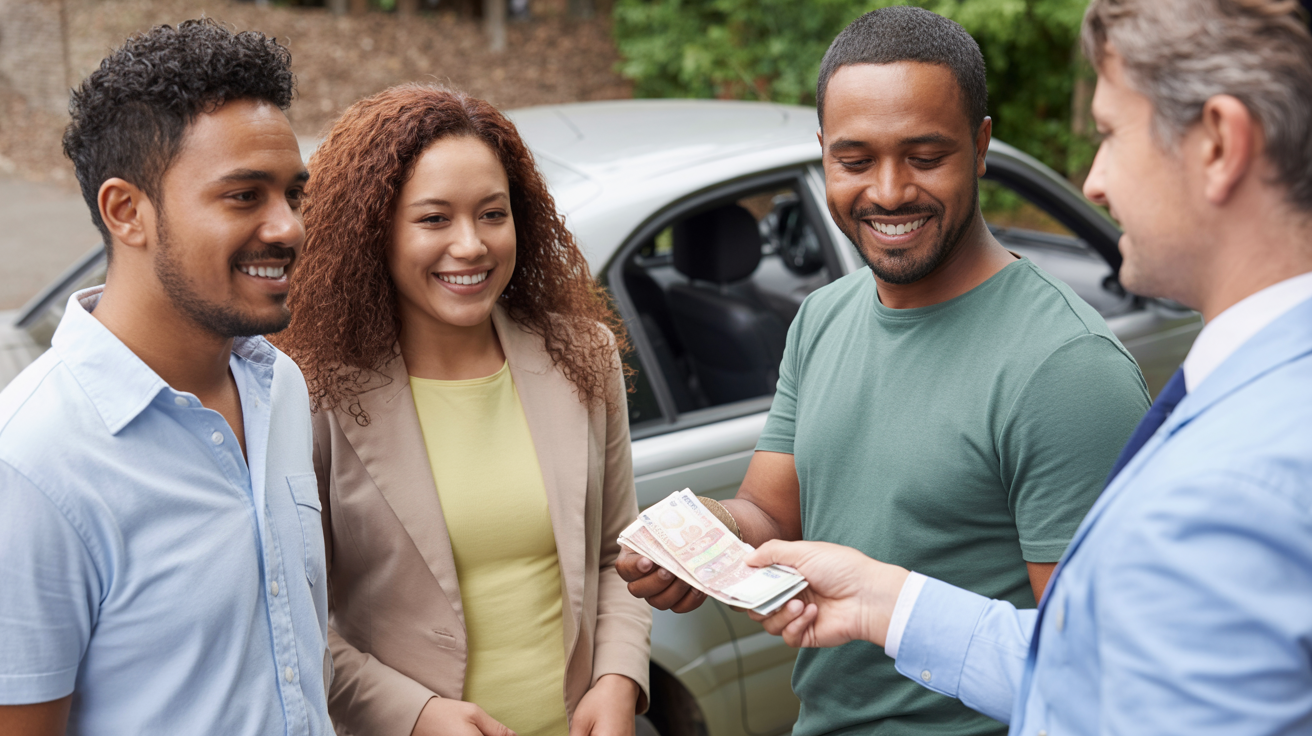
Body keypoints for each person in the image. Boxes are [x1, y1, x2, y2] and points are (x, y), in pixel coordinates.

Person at [748, 1, 1312, 733]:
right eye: (855, 159)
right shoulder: (1253, 388)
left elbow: (1097, 697)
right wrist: (884, 602)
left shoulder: (1232, 470)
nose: (1093, 181)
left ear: (1218, 145)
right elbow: (1084, 661)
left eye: (1109, 134)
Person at [619, 7, 1151, 736]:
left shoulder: (1067, 370)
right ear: (824, 154)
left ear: (982, 145)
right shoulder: (822, 315)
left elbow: (1088, 669)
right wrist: (701, 538)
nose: (890, 191)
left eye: (926, 156)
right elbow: (770, 515)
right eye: (856, 160)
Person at [273, 84, 650, 736]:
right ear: (374, 231)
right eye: (434, 219)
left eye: (492, 213)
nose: (471, 245)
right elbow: (292, 616)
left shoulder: (582, 356)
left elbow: (619, 553)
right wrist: (414, 715)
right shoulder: (312, 395)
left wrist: (618, 679)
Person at [0, 19, 331, 736]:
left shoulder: (282, 389)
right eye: (245, 195)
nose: (289, 228)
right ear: (127, 212)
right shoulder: (30, 467)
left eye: (291, 194)